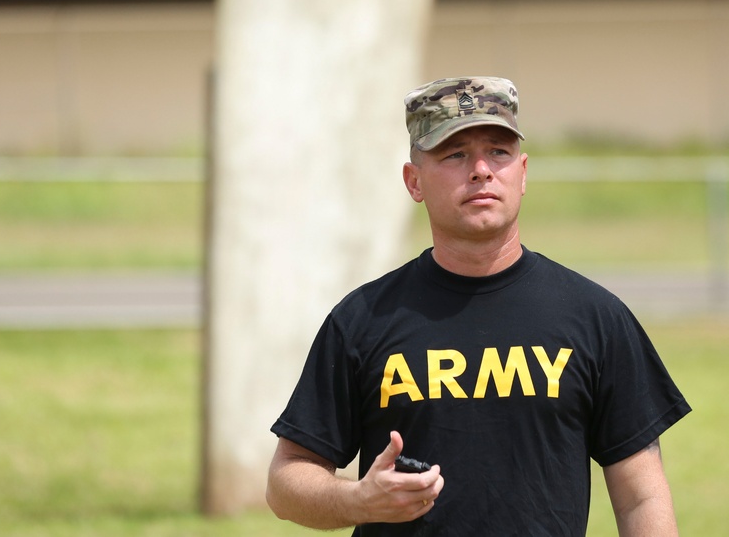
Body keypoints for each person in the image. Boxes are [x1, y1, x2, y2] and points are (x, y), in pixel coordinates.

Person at [266, 76, 691, 536]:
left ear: (523, 173)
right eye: (455, 154)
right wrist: (359, 499)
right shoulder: (364, 319)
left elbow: (641, 497)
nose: (482, 170)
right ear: (414, 182)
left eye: (499, 152)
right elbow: (286, 480)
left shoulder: (594, 316)